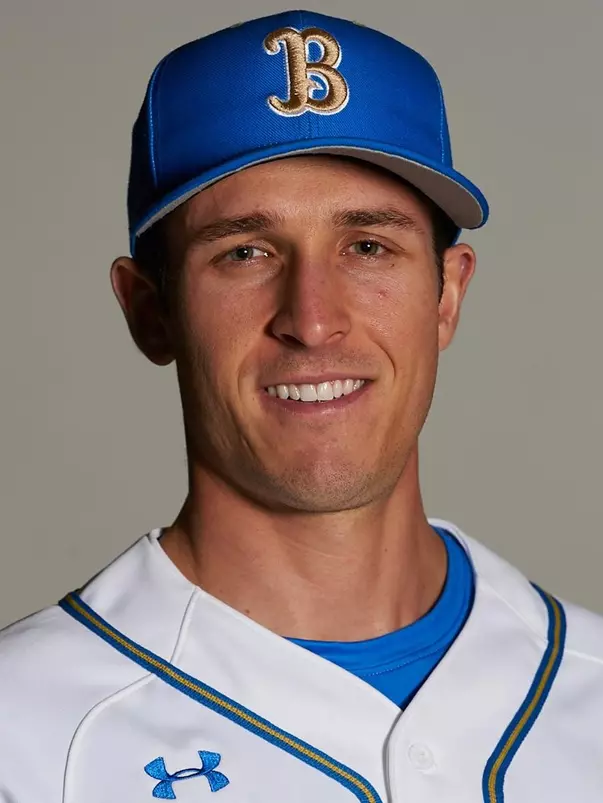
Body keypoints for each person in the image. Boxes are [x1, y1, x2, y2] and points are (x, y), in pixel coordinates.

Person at [0, 9, 602, 803]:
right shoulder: (23, 734)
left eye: (367, 246)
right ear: (151, 310)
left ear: (446, 294)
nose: (312, 320)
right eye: (244, 252)